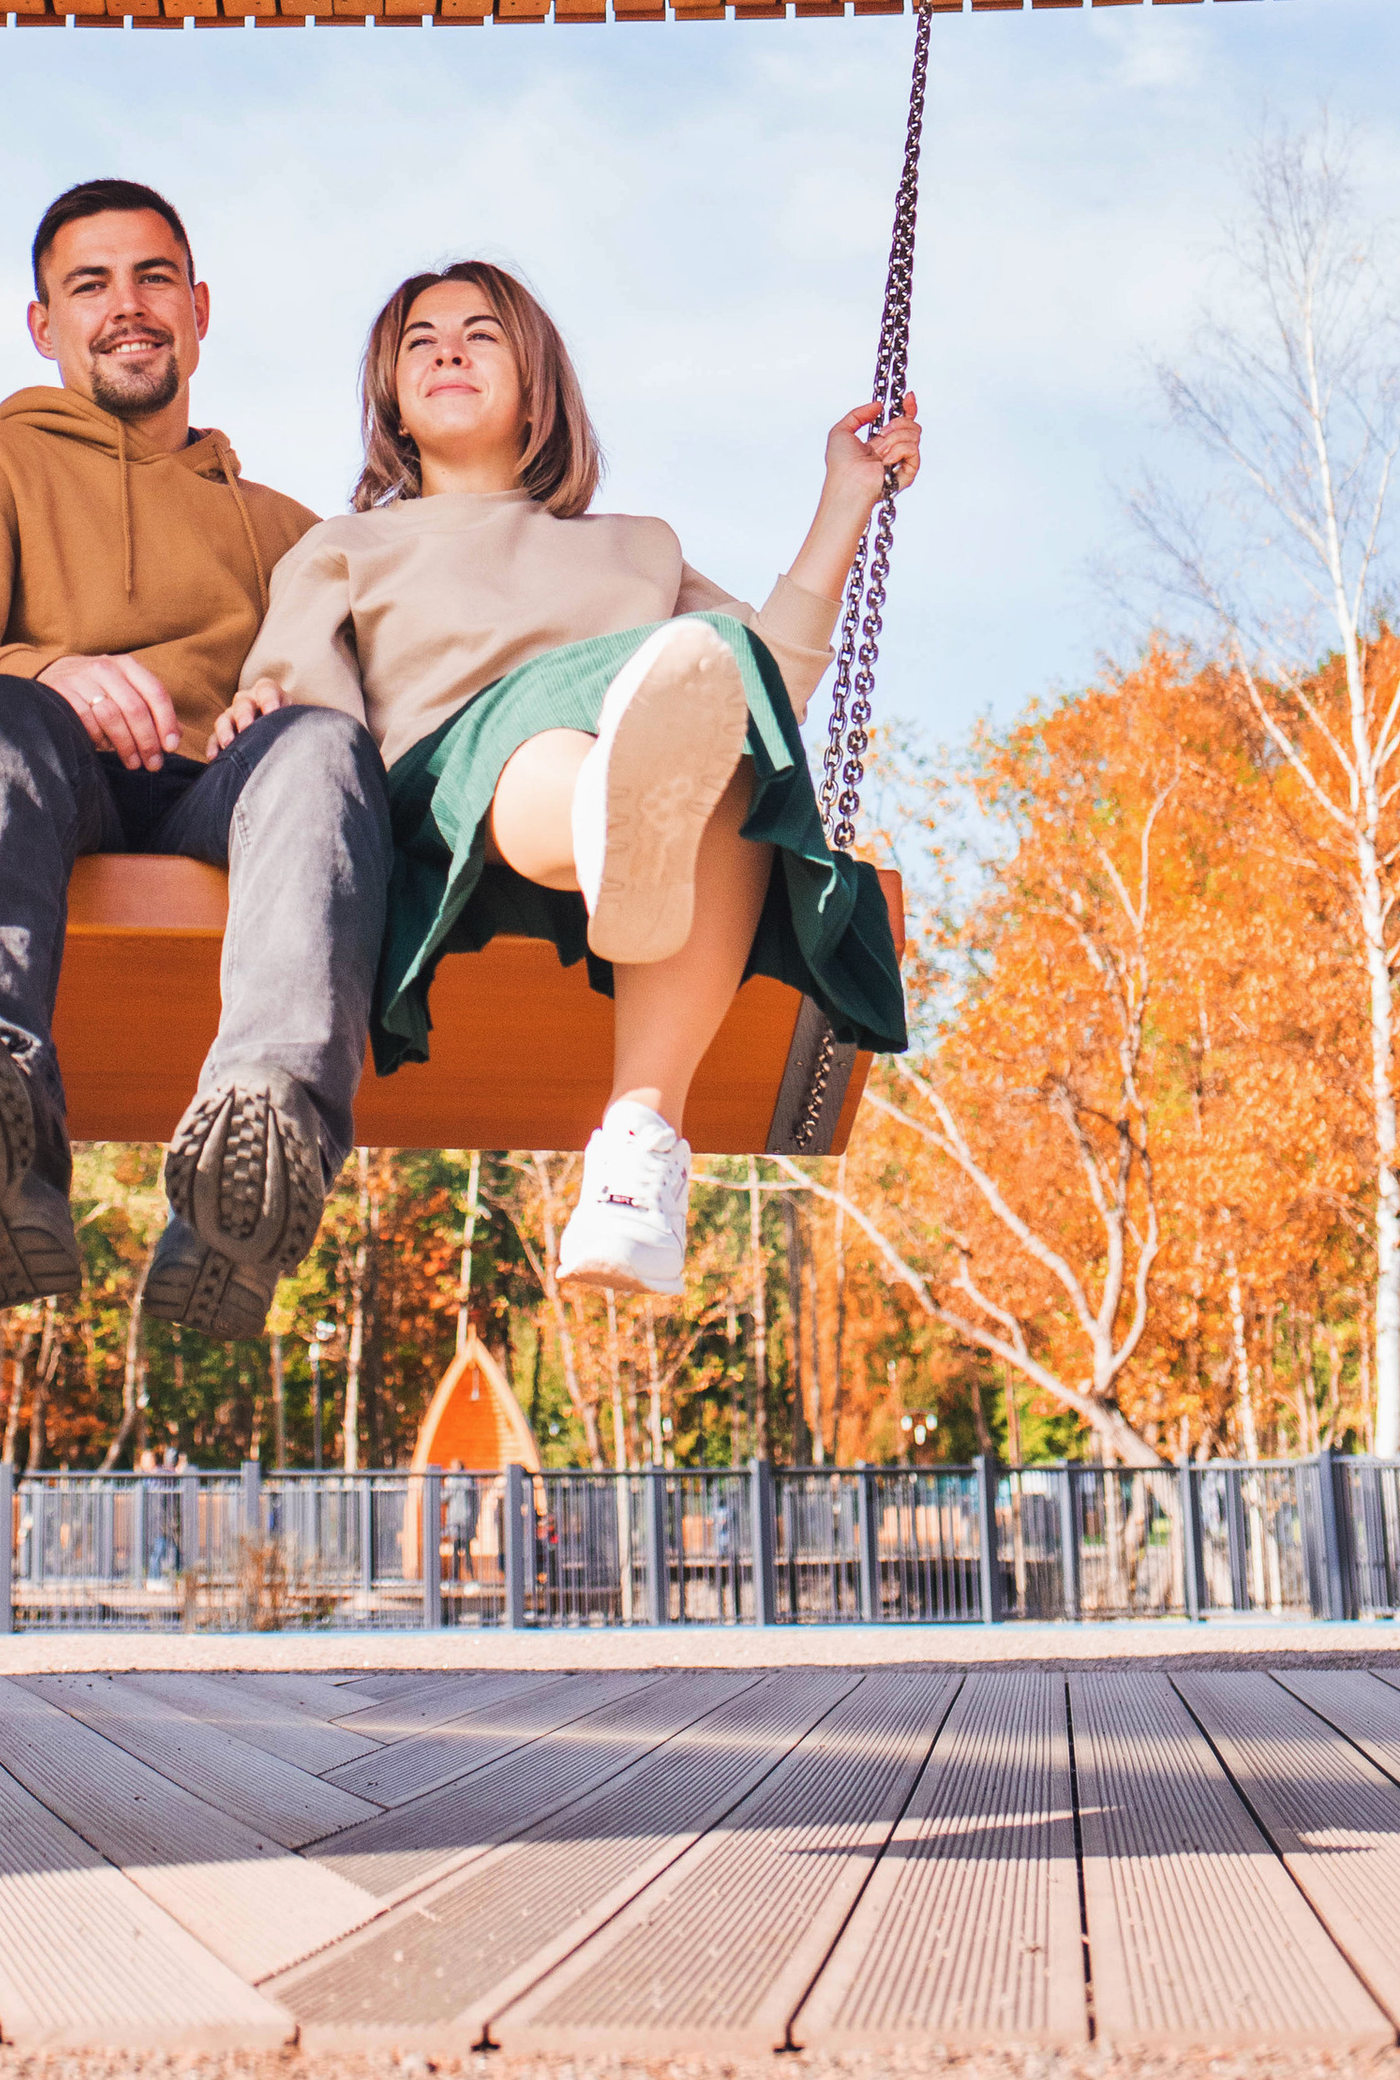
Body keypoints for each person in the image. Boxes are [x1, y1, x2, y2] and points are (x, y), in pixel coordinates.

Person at [213, 260, 915, 1302]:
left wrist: (845, 498)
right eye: (421, 341)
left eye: (481, 334)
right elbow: (308, 723)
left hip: (627, 791)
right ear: (391, 407)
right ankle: (615, 813)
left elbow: (768, 681)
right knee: (584, 723)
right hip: (440, 812)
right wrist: (248, 716)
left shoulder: (633, 549)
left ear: (537, 389)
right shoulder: (345, 548)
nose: (448, 348)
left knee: (718, 686)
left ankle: (635, 1152)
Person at [0, 179, 390, 1338]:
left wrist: (280, 706)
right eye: (88, 284)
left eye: (151, 279)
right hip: (49, 784)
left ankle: (263, 1133)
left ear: (196, 309)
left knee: (325, 745)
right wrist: (46, 672)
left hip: (221, 804)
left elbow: (410, 688)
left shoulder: (289, 528)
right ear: (44, 325)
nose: (124, 306)